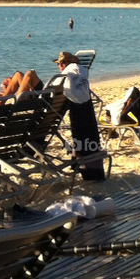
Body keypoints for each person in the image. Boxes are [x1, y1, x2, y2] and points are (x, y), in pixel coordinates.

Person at [52, 50, 105, 182]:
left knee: (81, 137)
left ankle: (84, 166)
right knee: (89, 138)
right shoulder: (82, 71)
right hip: (87, 110)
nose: (58, 66)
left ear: (64, 63)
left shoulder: (65, 74)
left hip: (76, 111)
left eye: (59, 64)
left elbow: (52, 89)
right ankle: (94, 169)